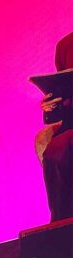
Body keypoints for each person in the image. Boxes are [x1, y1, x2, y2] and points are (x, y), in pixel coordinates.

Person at [37, 32, 73, 223]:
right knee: (56, 149)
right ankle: (61, 227)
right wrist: (52, 107)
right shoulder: (66, 45)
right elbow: (64, 92)